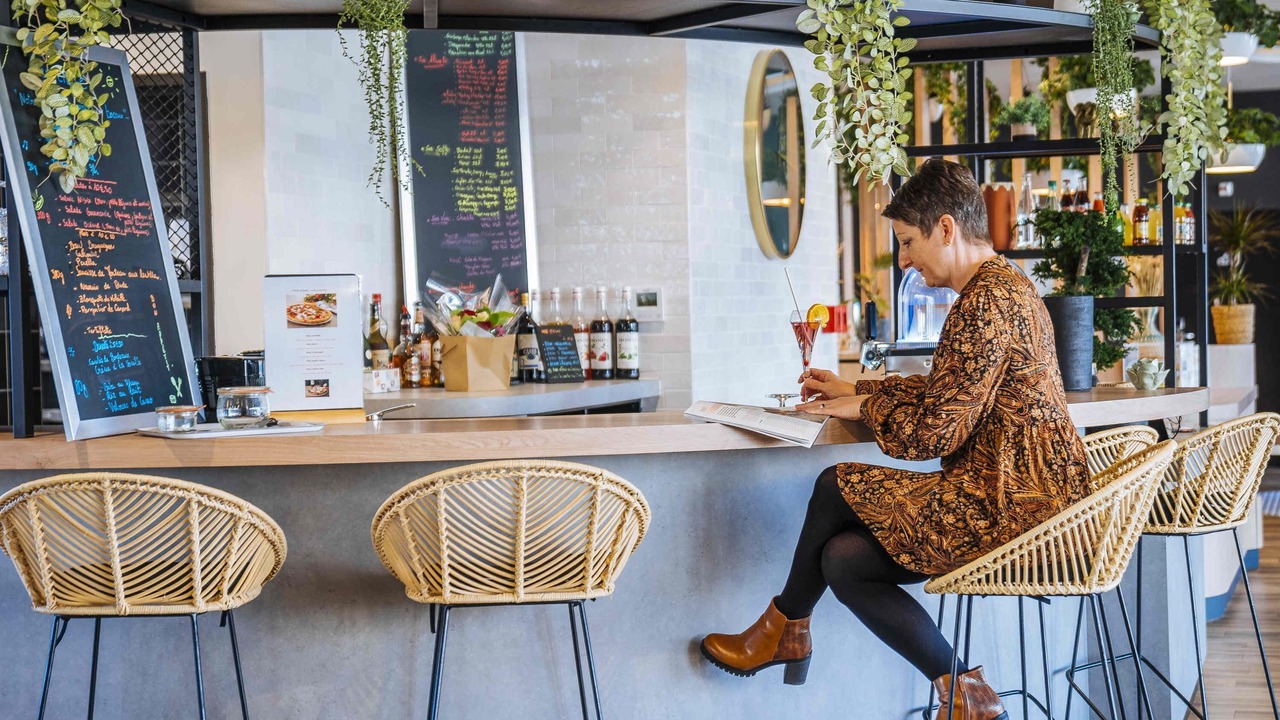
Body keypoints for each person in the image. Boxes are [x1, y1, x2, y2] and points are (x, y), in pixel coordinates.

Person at [699, 159, 1090, 720]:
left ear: (947, 229)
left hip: (1009, 508)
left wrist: (869, 402)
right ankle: (967, 697)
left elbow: (932, 432)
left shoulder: (983, 301)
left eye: (908, 241)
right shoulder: (1008, 286)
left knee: (836, 484)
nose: (903, 259)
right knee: (843, 559)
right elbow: (949, 391)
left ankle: (784, 626)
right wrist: (859, 388)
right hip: (1039, 504)